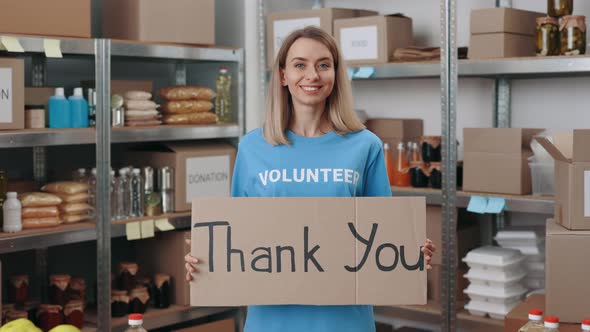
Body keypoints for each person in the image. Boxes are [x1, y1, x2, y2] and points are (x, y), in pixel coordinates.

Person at [184, 26, 435, 332]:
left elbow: (383, 234)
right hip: (271, 321)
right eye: (299, 65)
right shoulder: (253, 147)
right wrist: (207, 261)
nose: (312, 75)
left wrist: (408, 252)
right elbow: (238, 239)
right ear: (282, 75)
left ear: (335, 74)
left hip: (344, 321)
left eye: (323, 65)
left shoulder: (365, 145)